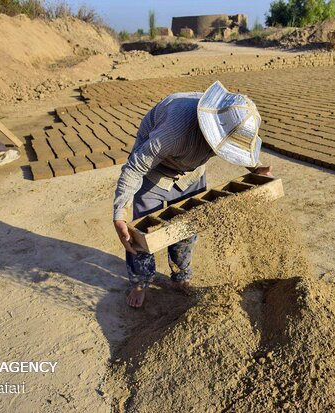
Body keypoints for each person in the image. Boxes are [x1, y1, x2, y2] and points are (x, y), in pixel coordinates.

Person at [113, 81, 272, 308]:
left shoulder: (226, 121)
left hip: (191, 171)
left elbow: (238, 148)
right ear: (209, 128)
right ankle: (140, 282)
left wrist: (255, 167)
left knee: (188, 228)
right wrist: (119, 213)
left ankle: (180, 277)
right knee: (143, 234)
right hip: (154, 170)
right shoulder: (173, 132)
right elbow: (135, 167)